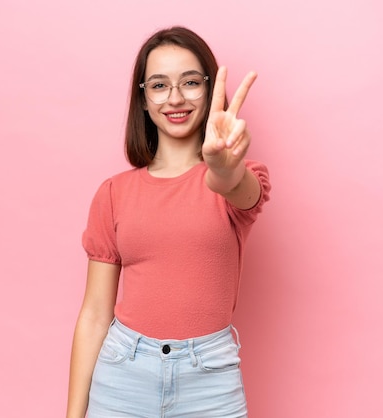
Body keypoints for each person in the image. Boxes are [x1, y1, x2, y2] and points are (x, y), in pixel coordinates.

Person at [66, 25, 271, 418]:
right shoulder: (113, 193)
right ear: (143, 99)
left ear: (210, 91)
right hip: (123, 374)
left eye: (190, 82)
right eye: (159, 85)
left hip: (210, 380)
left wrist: (223, 167)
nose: (175, 98)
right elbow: (94, 313)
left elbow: (236, 187)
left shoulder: (235, 179)